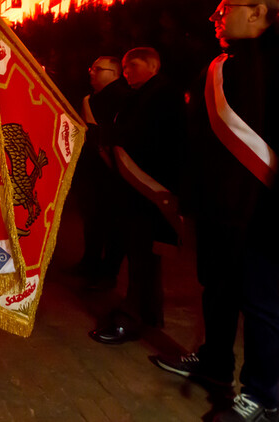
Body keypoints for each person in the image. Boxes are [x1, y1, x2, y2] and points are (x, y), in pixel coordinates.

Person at [150, 0, 279, 422]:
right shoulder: (219, 66)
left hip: (263, 211)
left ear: (259, 12)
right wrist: (190, 197)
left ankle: (263, 399)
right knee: (216, 292)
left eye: (224, 11)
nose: (216, 19)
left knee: (260, 304)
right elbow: (197, 140)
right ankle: (215, 366)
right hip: (216, 208)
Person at [90, 47, 185, 344]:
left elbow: (140, 135)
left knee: (143, 254)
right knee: (142, 254)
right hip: (137, 190)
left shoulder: (162, 95)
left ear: (153, 66)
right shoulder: (144, 94)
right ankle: (148, 312)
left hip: (148, 190)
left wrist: (102, 133)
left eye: (133, 65)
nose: (126, 71)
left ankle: (130, 319)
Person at [74, 57, 131, 289]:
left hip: (110, 171)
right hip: (92, 169)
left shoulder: (121, 98)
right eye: (91, 68)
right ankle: (90, 262)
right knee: (92, 219)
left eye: (98, 69)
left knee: (110, 222)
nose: (92, 72)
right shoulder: (94, 98)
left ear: (115, 73)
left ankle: (106, 273)